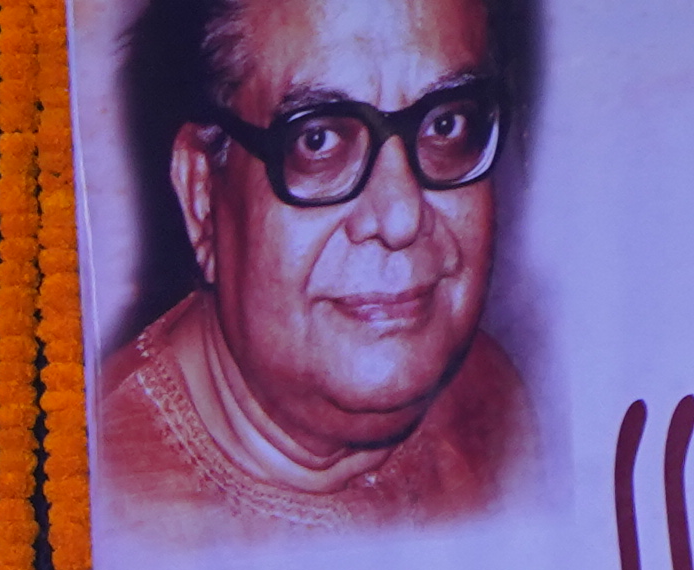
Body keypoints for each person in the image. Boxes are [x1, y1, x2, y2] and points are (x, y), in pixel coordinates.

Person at [98, 0, 524, 537]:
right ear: (202, 195)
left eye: (446, 124)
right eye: (317, 140)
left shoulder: (496, 400)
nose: (401, 218)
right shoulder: (103, 506)